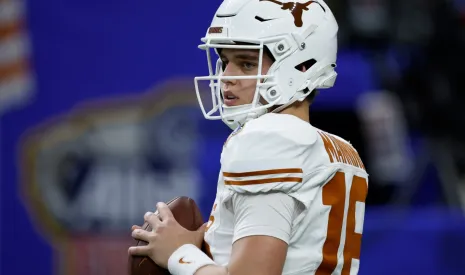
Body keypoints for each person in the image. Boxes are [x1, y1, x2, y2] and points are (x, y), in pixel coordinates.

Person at [129, 0, 369, 274]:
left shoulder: (268, 140)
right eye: (224, 61)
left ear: (302, 66)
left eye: (246, 63)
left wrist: (180, 255)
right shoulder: (341, 151)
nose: (226, 77)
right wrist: (210, 234)